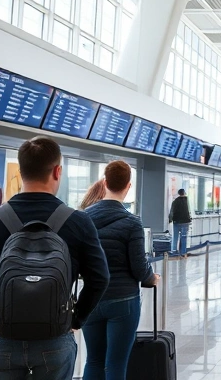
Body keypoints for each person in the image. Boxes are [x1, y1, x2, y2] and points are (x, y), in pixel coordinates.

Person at [0, 136, 109, 380]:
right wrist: (75, 318)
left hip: (3, 340)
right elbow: (100, 279)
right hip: (55, 339)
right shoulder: (79, 222)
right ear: (57, 171)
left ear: (20, 171)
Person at [79, 161, 159, 380]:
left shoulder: (83, 218)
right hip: (123, 300)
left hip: (91, 299)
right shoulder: (132, 222)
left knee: (93, 360)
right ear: (128, 186)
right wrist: (153, 278)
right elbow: (139, 268)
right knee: (116, 364)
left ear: (104, 183)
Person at [168, 188, 191, 258]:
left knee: (175, 237)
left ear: (178, 193)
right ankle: (183, 252)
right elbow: (189, 211)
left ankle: (174, 251)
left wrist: (170, 219)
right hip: (185, 222)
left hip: (176, 222)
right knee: (184, 237)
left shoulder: (175, 201)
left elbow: (172, 211)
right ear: (184, 193)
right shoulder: (187, 201)